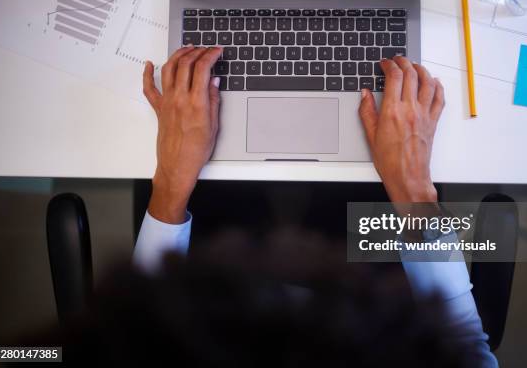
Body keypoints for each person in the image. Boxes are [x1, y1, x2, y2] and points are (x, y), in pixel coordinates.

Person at [131, 46, 498, 366]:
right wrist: (414, 189)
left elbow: (144, 332)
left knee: (227, 192)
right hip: (367, 306)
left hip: (223, 311)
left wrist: (170, 183)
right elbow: (463, 347)